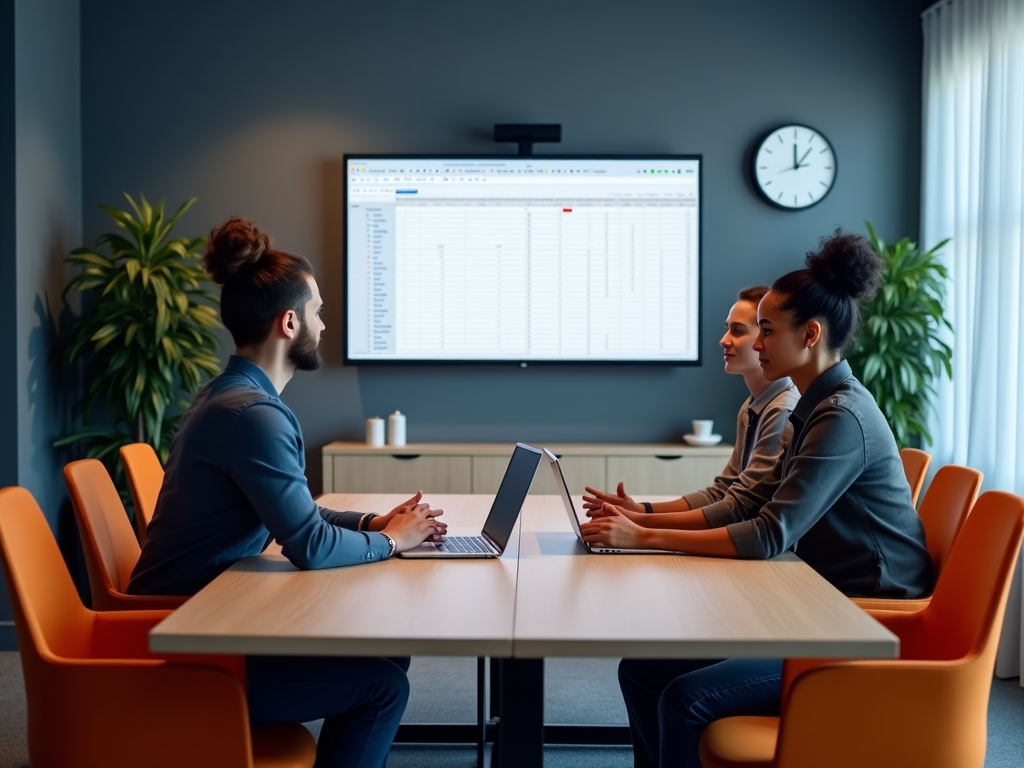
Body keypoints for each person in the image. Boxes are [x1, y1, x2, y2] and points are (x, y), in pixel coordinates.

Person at [581, 230, 934, 768]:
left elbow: (770, 533)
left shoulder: (841, 416)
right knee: (643, 669)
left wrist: (644, 535)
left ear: (810, 334)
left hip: (860, 623)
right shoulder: (812, 408)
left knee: (685, 697)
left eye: (766, 331)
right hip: (816, 603)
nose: (756, 344)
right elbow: (748, 502)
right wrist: (643, 522)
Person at [128, 216, 446, 768]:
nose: (325, 324)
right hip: (195, 647)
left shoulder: (232, 396)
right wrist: (394, 542)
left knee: (386, 649)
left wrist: (375, 525)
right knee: (384, 686)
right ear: (291, 322)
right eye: (319, 311)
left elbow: (300, 517)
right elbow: (310, 546)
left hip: (209, 616)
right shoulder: (253, 414)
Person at [580, 285, 799, 533]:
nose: (724, 340)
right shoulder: (752, 406)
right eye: (727, 329)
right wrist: (640, 510)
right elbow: (722, 493)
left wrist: (640, 525)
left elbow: (739, 508)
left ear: (766, 338)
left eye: (738, 331)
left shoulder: (782, 410)